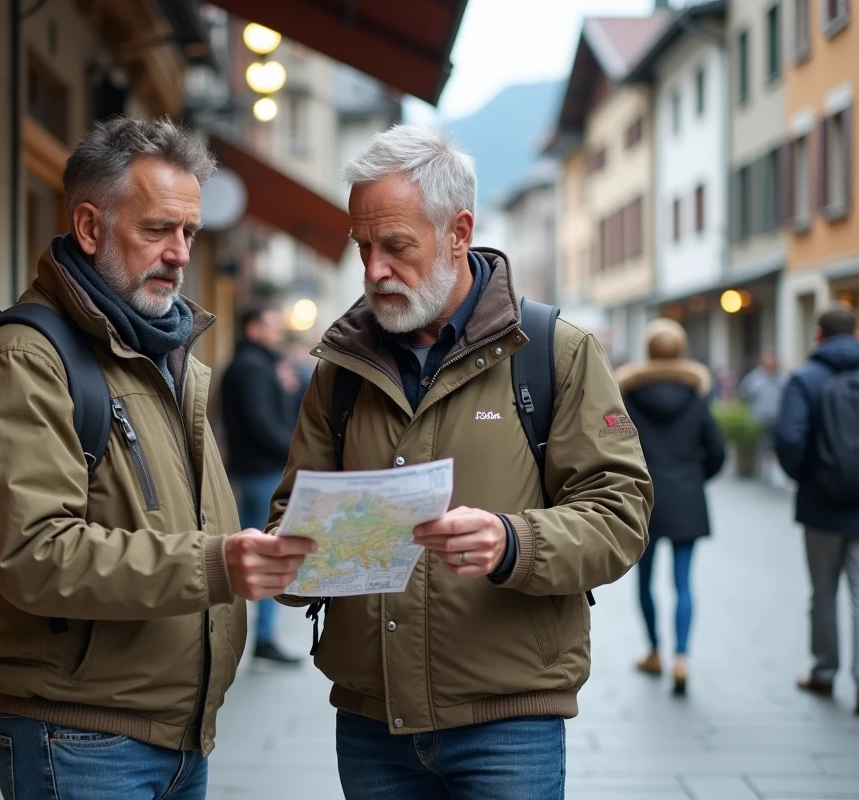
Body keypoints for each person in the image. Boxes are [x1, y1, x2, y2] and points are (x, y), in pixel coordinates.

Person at [270, 125, 653, 800]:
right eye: (363, 247)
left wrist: (514, 541)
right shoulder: (340, 370)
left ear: (458, 232)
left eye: (395, 246)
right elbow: (290, 521)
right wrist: (286, 558)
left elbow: (620, 516)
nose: (373, 270)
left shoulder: (555, 352)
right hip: (370, 721)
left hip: (508, 723)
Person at [0, 118, 316, 800]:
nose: (180, 253)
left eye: (190, 232)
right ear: (90, 228)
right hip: (79, 739)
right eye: (158, 229)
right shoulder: (26, 359)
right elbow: (34, 554)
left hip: (176, 736)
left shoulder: (162, 350)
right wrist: (218, 564)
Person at [616, 319, 726, 695]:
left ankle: (653, 652)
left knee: (645, 581)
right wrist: (694, 478)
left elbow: (616, 447)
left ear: (648, 349)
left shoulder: (627, 397)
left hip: (643, 500)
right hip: (686, 498)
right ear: (681, 349)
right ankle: (681, 657)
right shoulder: (696, 396)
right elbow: (716, 451)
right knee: (683, 583)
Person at [774, 304, 859, 715]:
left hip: (821, 507)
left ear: (818, 334)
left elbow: (790, 439)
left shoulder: (805, 377)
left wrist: (810, 477)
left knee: (822, 593)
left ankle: (824, 673)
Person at [220, 306, 303, 664]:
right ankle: (263, 638)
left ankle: (255, 637)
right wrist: (298, 453)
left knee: (251, 552)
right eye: (272, 325)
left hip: (255, 471)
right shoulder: (252, 367)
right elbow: (261, 423)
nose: (279, 332)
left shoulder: (257, 364)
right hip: (261, 473)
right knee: (267, 553)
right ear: (252, 329)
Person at [739, 351, 785, 483]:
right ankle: (762, 472)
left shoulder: (782, 378)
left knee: (775, 445)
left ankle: (774, 472)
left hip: (777, 418)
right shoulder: (754, 378)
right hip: (758, 419)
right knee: (761, 446)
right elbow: (744, 395)